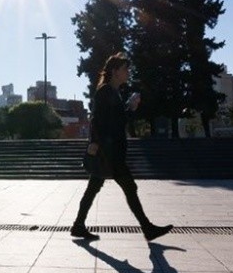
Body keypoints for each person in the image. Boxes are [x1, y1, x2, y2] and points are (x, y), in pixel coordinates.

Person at [71, 52, 173, 242]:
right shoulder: (105, 92)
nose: (128, 72)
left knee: (94, 188)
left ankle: (78, 225)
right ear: (115, 71)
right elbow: (100, 121)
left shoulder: (112, 92)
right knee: (129, 187)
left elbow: (115, 120)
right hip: (109, 152)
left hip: (110, 150)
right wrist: (130, 108)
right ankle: (147, 228)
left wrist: (129, 107)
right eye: (125, 69)